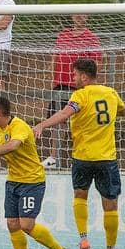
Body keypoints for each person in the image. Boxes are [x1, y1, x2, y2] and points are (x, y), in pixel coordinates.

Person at [33, 58, 125, 249]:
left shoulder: (80, 95)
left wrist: (42, 125)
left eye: (74, 75)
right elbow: (122, 110)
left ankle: (84, 239)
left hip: (82, 157)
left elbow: (66, 113)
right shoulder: (110, 93)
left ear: (84, 76)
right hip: (106, 158)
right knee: (110, 205)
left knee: (80, 196)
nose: (73, 79)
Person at [0, 96, 70, 249]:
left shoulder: (19, 126)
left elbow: (13, 145)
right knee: (12, 224)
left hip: (31, 181)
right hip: (13, 180)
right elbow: (3, 146)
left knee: (26, 225)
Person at [42, 14, 102, 169]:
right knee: (58, 120)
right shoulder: (63, 34)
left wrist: (89, 83)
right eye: (77, 15)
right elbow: (55, 56)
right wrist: (52, 76)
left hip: (80, 87)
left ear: (87, 17)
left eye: (82, 15)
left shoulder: (91, 37)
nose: (79, 18)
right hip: (61, 83)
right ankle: (53, 157)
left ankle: (83, 156)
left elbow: (97, 62)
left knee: (82, 121)